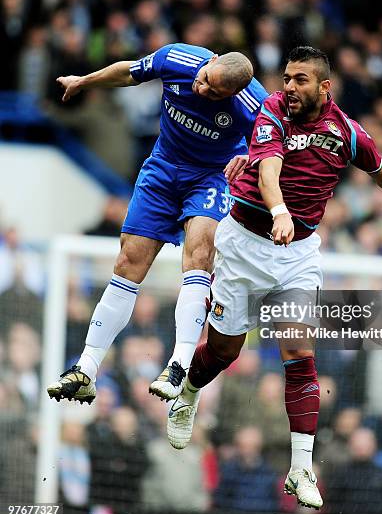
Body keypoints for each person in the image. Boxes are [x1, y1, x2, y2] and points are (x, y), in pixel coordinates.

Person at [165, 46, 382, 511]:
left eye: (300, 80)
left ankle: (300, 467)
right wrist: (278, 210)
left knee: (298, 349)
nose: (289, 87)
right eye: (287, 78)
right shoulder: (272, 112)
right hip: (244, 242)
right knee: (224, 351)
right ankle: (190, 393)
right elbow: (269, 168)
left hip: (297, 252)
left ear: (324, 87)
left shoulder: (347, 132)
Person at [47, 43, 267, 404]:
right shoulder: (178, 59)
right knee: (127, 261)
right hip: (163, 166)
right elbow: (128, 71)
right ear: (210, 61)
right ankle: (86, 368)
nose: (204, 91)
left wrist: (249, 156)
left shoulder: (253, 104)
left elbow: (275, 148)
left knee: (199, 254)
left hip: (211, 177)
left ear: (236, 93)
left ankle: (178, 365)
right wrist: (84, 81)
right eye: (206, 81)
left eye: (216, 92)